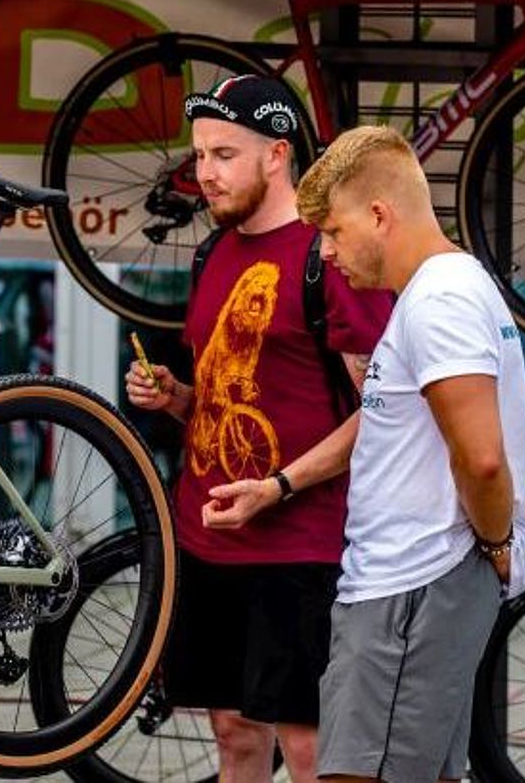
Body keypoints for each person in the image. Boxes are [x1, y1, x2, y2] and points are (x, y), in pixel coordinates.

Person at [203, 125, 525, 783]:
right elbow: (387, 423)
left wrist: (498, 547)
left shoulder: (439, 300)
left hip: (410, 584)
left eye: (331, 230)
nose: (325, 252)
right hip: (410, 585)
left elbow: (483, 459)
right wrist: (278, 485)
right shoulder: (435, 293)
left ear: (380, 215)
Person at [123, 76, 392, 783]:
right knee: (234, 732)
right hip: (209, 538)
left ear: (277, 154)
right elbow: (228, 400)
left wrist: (279, 486)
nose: (204, 172)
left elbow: (386, 411)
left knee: (308, 745)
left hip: (300, 544)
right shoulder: (212, 253)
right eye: (200, 155)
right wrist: (176, 397)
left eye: (222, 154)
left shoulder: (325, 254)